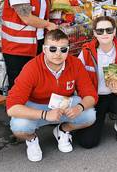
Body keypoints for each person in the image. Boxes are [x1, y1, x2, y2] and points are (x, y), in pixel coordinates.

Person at [6, 29, 97, 162]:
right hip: (36, 105)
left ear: (68, 49)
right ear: (44, 49)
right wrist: (45, 114)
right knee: (19, 127)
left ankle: (63, 130)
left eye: (63, 49)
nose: (58, 54)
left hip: (63, 104)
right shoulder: (31, 68)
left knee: (90, 115)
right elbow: (12, 107)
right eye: (52, 49)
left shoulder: (76, 64)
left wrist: (79, 108)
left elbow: (91, 95)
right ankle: (32, 139)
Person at [74, 16, 117, 147]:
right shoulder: (86, 52)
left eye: (108, 30)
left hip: (115, 96)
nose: (104, 34)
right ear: (94, 33)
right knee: (88, 142)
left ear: (115, 31)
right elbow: (77, 77)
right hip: (93, 98)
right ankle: (93, 122)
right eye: (100, 31)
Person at [2, 0, 57, 88]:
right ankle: (14, 110)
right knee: (19, 87)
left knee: (34, 85)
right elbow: (26, 17)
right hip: (17, 48)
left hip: (35, 43)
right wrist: (48, 24)